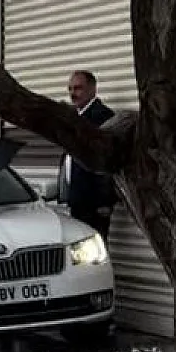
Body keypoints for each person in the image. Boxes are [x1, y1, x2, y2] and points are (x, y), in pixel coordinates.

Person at [59, 70, 117, 240]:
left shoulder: (101, 117)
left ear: (93, 89)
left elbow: (107, 161)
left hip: (93, 201)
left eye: (78, 88)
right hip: (77, 197)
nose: (72, 94)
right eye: (70, 89)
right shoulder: (75, 116)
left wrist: (104, 201)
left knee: (95, 248)